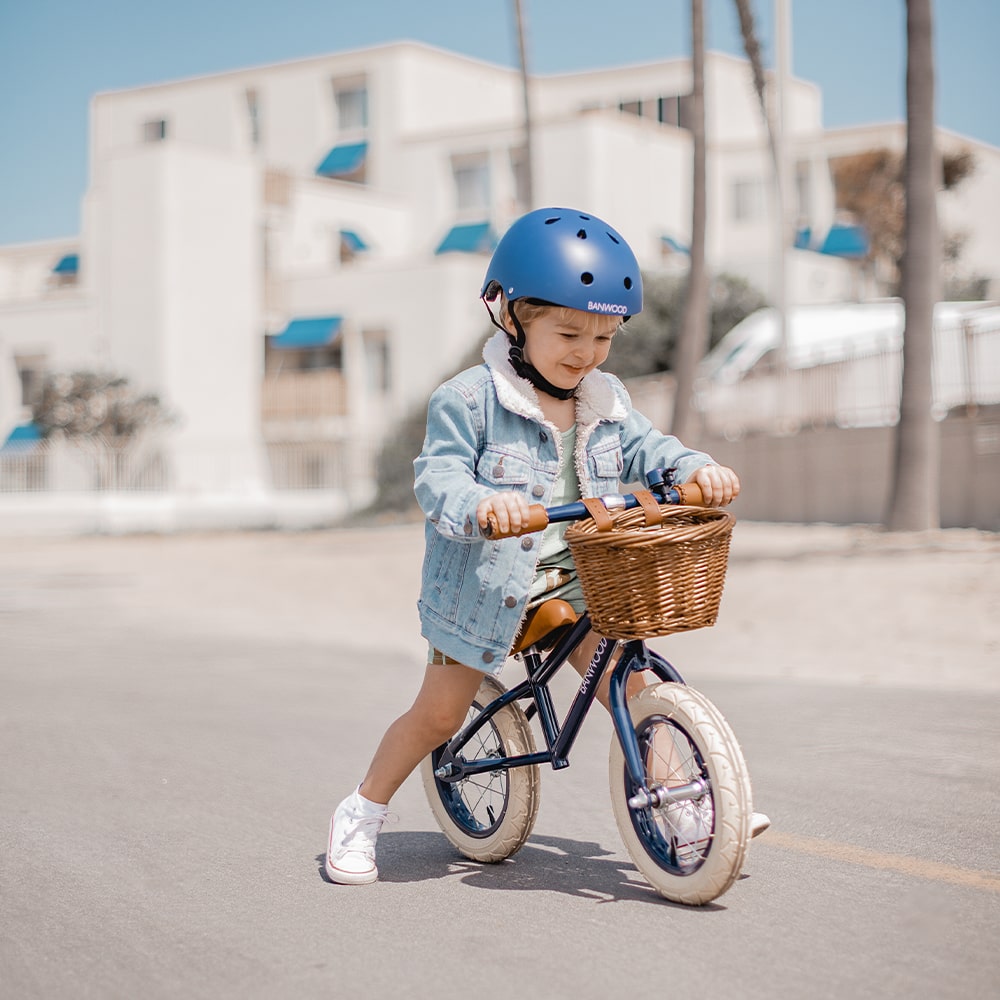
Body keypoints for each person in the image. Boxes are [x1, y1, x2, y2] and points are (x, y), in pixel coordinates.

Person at [326, 206, 767, 885]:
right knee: (440, 713)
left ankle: (688, 806)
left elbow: (652, 447)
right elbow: (437, 477)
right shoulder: (469, 400)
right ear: (511, 316)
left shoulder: (605, 397)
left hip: (578, 579)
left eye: (603, 336)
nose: (585, 352)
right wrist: (484, 504)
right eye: (567, 332)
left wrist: (692, 469)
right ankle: (361, 813)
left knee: (636, 678)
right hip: (483, 588)